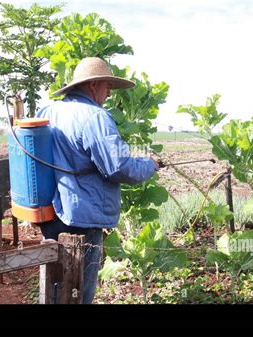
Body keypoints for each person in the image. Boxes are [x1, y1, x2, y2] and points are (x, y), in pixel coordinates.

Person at [36, 57, 159, 304]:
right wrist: (151, 164)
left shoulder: (49, 111)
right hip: (83, 218)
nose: (109, 92)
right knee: (80, 291)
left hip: (51, 212)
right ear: (93, 85)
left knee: (55, 286)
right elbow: (118, 167)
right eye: (107, 86)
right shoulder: (95, 117)